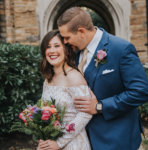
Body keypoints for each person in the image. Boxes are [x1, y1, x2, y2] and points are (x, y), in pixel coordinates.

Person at [57, 7, 148, 150]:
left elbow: (141, 92)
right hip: (83, 140)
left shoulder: (121, 49)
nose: (65, 42)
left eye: (67, 37)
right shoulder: (73, 53)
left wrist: (99, 106)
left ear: (81, 32)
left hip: (116, 139)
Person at [37, 30, 92, 150]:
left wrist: (60, 142)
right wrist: (41, 135)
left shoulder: (74, 77)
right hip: (49, 142)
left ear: (66, 50)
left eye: (57, 46)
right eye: (48, 47)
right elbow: (44, 111)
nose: (52, 51)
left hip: (72, 143)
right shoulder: (48, 79)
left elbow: (85, 113)